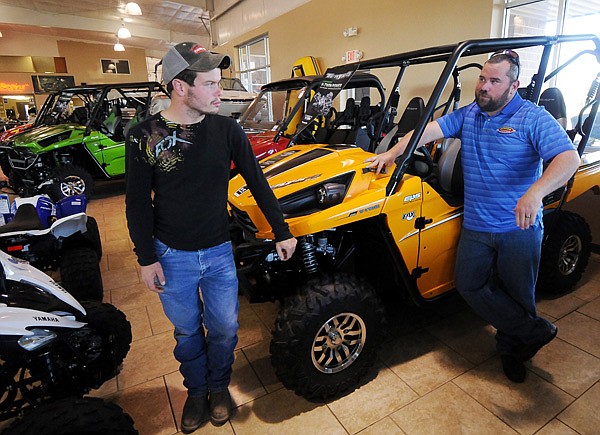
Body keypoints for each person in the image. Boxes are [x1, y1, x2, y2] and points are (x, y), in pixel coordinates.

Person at [366, 49, 580, 383]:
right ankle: (533, 331)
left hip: (517, 229)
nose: (484, 86)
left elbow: (569, 159)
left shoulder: (532, 117)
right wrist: (393, 154)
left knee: (518, 296)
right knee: (469, 285)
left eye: (494, 81)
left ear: (513, 85)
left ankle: (513, 351)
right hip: (477, 226)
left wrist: (535, 193)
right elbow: (426, 131)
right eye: (482, 78)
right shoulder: (470, 114)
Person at [125, 42, 297, 432]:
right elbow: (137, 203)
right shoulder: (143, 135)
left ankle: (219, 387)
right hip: (171, 255)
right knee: (187, 331)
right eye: (211, 84)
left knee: (224, 329)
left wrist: (281, 230)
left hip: (219, 252)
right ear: (180, 88)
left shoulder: (226, 129)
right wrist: (146, 257)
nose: (221, 91)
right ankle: (197, 390)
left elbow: (257, 182)